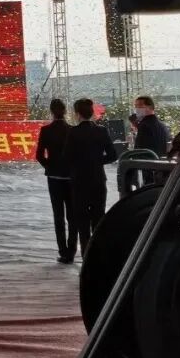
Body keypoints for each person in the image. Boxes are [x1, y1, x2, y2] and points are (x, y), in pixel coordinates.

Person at [62, 98, 117, 256]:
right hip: (98, 180)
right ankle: (98, 254)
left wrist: (79, 164)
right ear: (92, 113)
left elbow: (66, 157)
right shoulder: (102, 131)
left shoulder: (73, 132)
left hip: (79, 182)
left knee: (82, 221)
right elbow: (113, 155)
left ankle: (86, 255)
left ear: (77, 114)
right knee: (98, 218)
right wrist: (97, 161)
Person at [35, 99, 75, 264]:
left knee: (58, 215)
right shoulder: (72, 130)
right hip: (72, 178)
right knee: (72, 216)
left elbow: (39, 155)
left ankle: (63, 252)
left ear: (51, 111)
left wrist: (50, 167)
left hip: (54, 179)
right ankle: (72, 251)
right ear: (65, 111)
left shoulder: (46, 130)